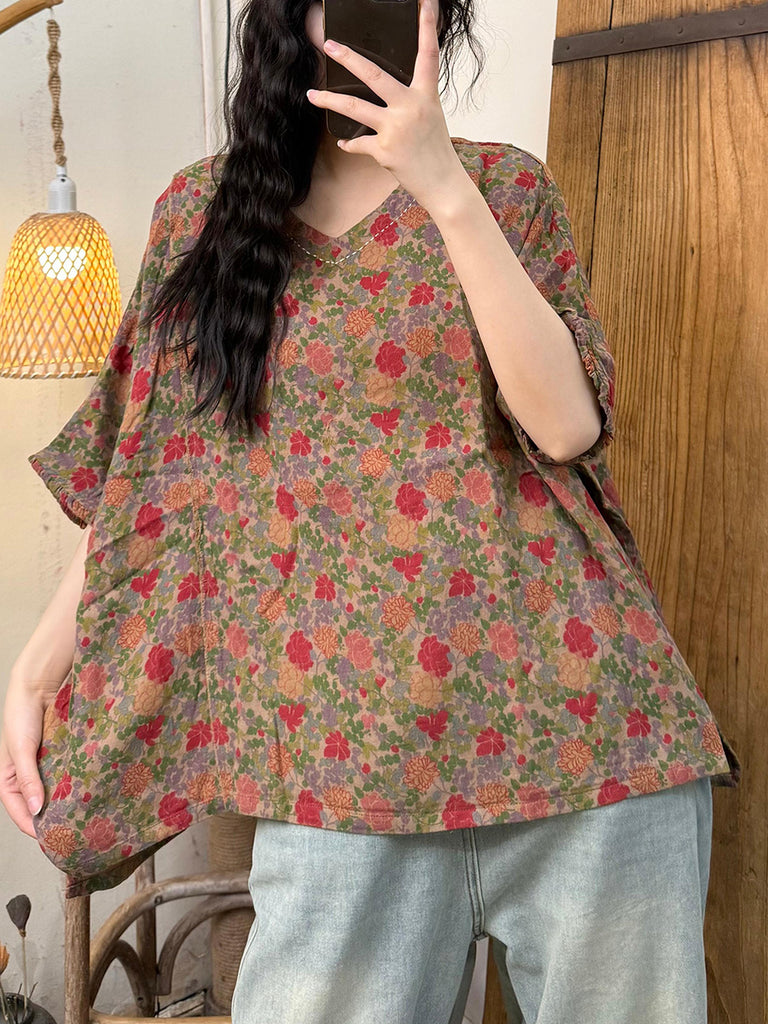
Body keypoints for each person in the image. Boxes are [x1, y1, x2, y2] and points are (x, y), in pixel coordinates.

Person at [1, 1, 741, 1022]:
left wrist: (443, 186)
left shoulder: (506, 189)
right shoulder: (203, 219)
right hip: (342, 772)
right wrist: (41, 665)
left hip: (589, 751)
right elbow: (156, 478)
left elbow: (567, 427)